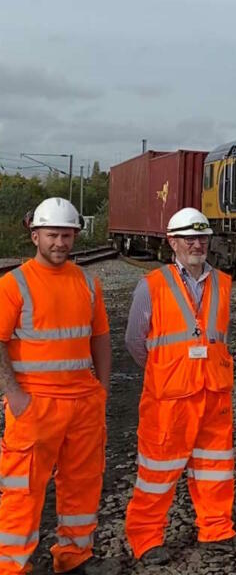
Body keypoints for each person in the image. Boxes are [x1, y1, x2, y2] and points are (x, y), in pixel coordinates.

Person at [124, 208, 236, 565]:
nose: (196, 244)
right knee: (157, 472)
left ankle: (216, 530)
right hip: (169, 398)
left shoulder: (223, 284)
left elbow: (220, 338)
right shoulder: (151, 285)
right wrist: (166, 372)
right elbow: (136, 341)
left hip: (213, 394)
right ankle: (146, 539)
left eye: (202, 238)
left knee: (215, 468)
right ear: (172, 242)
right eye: (188, 239)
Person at [0, 197, 111, 574]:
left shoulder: (88, 282)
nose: (60, 243)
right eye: (53, 235)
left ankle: (74, 556)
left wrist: (103, 390)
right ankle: (12, 566)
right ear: (35, 236)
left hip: (83, 403)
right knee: (23, 491)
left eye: (67, 235)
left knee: (82, 485)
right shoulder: (14, 284)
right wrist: (14, 395)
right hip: (35, 404)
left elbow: (100, 339)